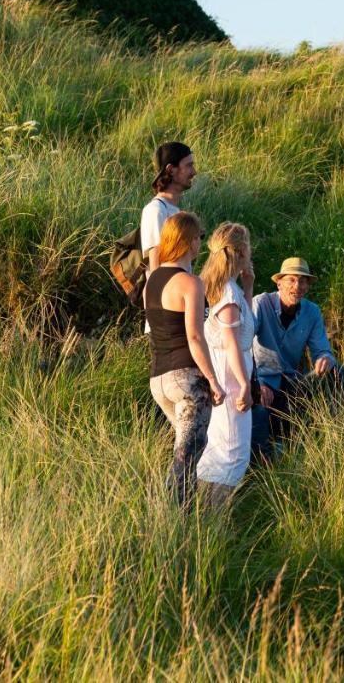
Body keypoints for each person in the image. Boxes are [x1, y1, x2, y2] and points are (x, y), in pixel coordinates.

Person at [145, 211, 224, 504]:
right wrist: (213, 380)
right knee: (186, 460)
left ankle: (178, 515)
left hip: (159, 379)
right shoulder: (191, 283)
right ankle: (172, 519)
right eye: (199, 237)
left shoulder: (152, 280)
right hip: (187, 379)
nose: (199, 243)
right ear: (188, 240)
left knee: (184, 454)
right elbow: (194, 337)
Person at [250, 257, 343, 453]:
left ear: (308, 286)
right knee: (256, 408)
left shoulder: (312, 311)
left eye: (303, 281)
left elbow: (322, 349)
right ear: (279, 282)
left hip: (292, 381)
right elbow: (241, 345)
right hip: (263, 381)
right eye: (291, 280)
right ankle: (262, 459)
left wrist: (324, 359)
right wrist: (256, 383)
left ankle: (337, 432)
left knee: (336, 372)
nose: (297, 286)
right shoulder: (261, 303)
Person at [195, 222, 256, 507]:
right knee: (232, 453)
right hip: (230, 378)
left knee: (219, 449)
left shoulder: (223, 287)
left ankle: (204, 513)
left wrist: (249, 288)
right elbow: (232, 341)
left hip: (225, 372)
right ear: (242, 251)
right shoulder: (227, 294)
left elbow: (241, 328)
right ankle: (211, 517)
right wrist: (244, 385)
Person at [140, 141, 197, 271]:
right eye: (189, 166)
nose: (194, 172)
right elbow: (155, 267)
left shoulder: (174, 210)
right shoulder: (156, 210)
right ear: (171, 170)